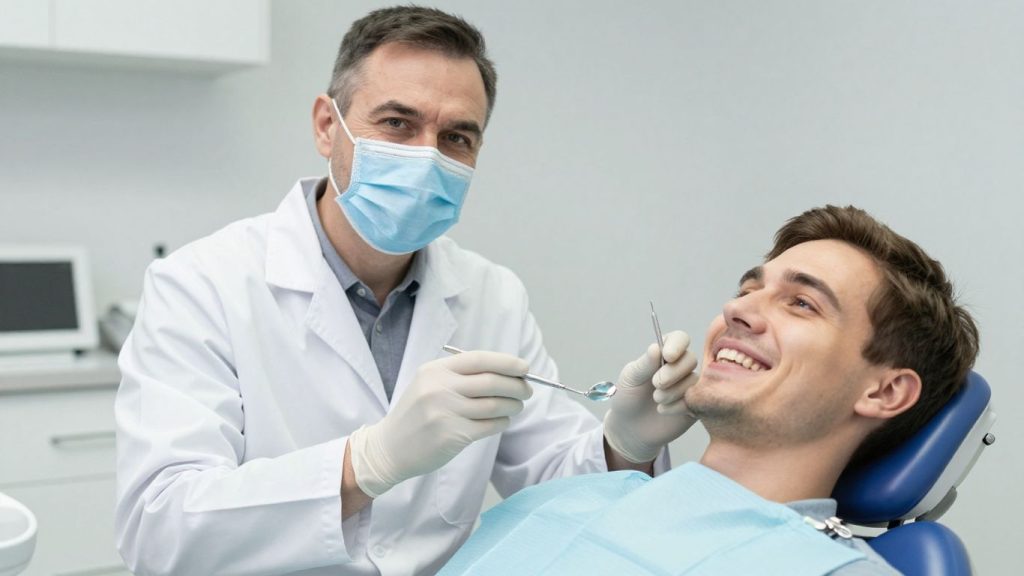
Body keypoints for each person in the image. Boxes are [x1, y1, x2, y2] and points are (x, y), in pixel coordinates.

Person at [113, 6, 698, 576]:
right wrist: (366, 463)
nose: (426, 156)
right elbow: (158, 531)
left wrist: (624, 443)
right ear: (326, 125)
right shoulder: (201, 284)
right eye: (397, 123)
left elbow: (556, 486)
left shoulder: (492, 295)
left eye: (456, 137)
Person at [439, 205, 980, 575]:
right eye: (748, 289)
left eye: (801, 304)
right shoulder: (562, 500)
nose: (738, 310)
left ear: (884, 393)